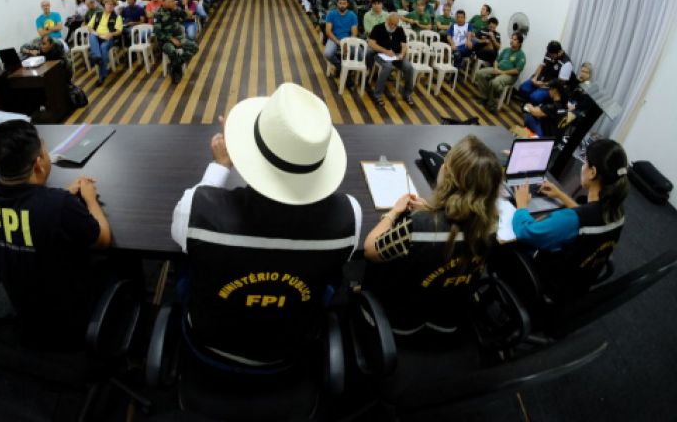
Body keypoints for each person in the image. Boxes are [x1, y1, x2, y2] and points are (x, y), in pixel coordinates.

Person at [171, 83, 362, 368]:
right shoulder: (349, 217)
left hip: (210, 340)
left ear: (247, 150)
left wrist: (221, 165)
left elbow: (187, 218)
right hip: (293, 347)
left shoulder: (195, 211)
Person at [0, 120, 111, 350]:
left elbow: (25, 214)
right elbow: (103, 239)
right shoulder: (58, 206)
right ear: (39, 163)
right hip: (70, 315)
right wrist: (90, 199)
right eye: (44, 149)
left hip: (26, 310)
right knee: (120, 260)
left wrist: (60, 196)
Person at [362, 135, 500, 340]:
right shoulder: (490, 225)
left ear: (448, 178)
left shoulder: (418, 227)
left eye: (446, 162)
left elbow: (370, 249)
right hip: (447, 318)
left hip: (402, 321)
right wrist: (432, 210)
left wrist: (393, 213)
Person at [513, 139, 628, 302]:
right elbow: (588, 220)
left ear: (592, 172)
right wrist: (561, 196)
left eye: (585, 162)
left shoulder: (572, 219)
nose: (582, 166)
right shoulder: (617, 212)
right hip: (575, 288)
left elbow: (526, 232)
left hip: (547, 290)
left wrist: (521, 205)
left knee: (505, 245)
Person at [367, 13, 415, 106]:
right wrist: (385, 51)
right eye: (391, 24)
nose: (393, 26)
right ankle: (377, 94)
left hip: (396, 55)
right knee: (387, 67)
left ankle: (407, 94)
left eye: (395, 24)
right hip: (381, 54)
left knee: (409, 67)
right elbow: (371, 43)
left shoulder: (400, 29)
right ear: (387, 20)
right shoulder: (378, 28)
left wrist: (402, 54)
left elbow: (404, 45)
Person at [476, 31, 526, 113]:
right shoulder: (506, 50)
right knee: (480, 74)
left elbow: (517, 70)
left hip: (509, 75)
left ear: (520, 43)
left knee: (495, 82)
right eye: (511, 38)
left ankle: (492, 105)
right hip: (498, 69)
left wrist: (502, 72)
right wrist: (496, 69)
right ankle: (485, 97)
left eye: (515, 39)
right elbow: (496, 60)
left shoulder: (521, 55)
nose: (512, 41)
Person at [154, 0, 198, 83]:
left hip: (179, 37)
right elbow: (157, 32)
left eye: (173, 1)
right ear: (164, 2)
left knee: (194, 47)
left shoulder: (176, 10)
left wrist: (184, 6)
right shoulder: (158, 13)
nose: (172, 3)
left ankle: (176, 64)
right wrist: (171, 39)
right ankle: (176, 73)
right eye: (170, 2)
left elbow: (188, 16)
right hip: (166, 41)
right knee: (171, 51)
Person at [518, 41, 575, 105]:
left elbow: (560, 82)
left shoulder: (567, 64)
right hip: (539, 80)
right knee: (523, 89)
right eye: (549, 54)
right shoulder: (549, 53)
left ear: (559, 52)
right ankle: (528, 105)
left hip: (550, 87)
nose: (550, 56)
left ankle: (534, 107)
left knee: (534, 98)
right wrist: (535, 78)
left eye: (552, 55)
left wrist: (543, 84)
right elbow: (541, 66)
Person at [88, 0, 123, 86]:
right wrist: (94, 32)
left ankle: (102, 76)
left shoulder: (117, 17)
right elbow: (89, 27)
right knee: (92, 36)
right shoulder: (97, 14)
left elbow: (119, 31)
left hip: (108, 38)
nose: (110, 6)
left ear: (114, 6)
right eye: (108, 4)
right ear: (105, 4)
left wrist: (111, 34)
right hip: (97, 36)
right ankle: (98, 57)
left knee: (103, 47)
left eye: (112, 4)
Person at [324, 0, 359, 71]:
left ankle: (350, 69)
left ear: (347, 4)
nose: (342, 5)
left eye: (344, 3)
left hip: (348, 39)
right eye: (340, 3)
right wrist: (338, 42)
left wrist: (348, 43)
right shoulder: (331, 14)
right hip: (334, 38)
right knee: (327, 54)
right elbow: (328, 31)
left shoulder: (352, 15)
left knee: (359, 53)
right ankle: (340, 67)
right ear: (337, 4)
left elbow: (354, 33)